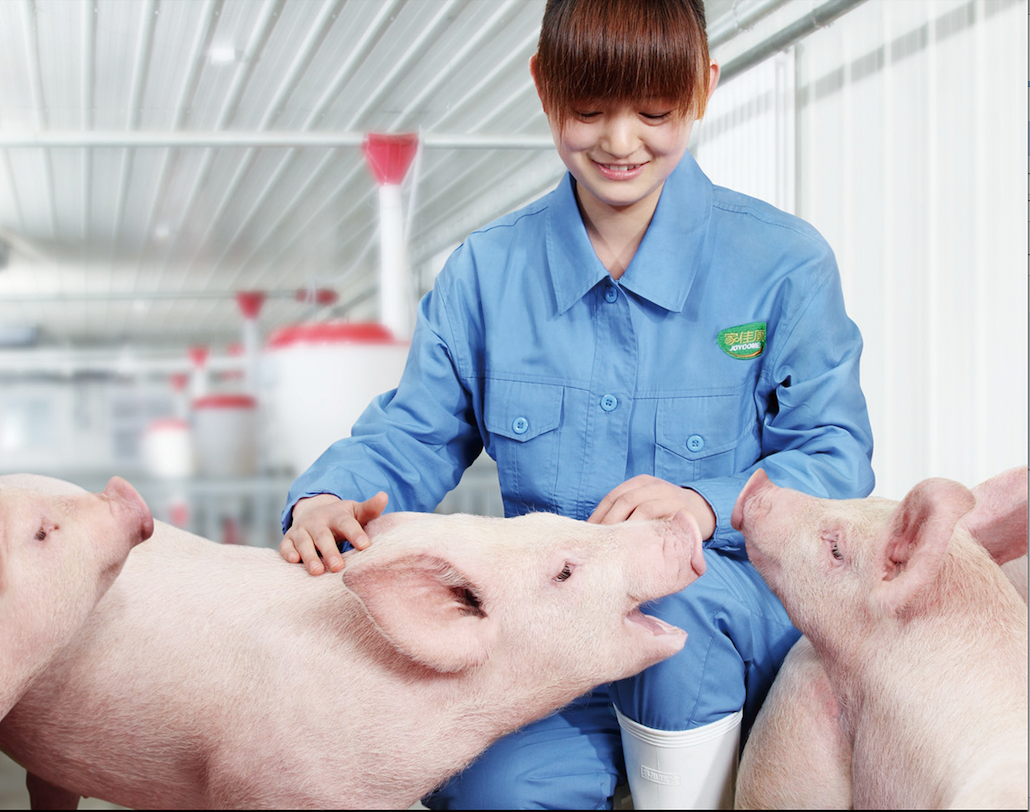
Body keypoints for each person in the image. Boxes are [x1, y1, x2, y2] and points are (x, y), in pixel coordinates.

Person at [277, 0, 875, 808]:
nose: (620, 142)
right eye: (589, 111)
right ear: (542, 87)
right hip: (554, 639)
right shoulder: (486, 273)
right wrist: (329, 497)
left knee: (678, 603)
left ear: (702, 87)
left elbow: (834, 456)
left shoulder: (781, 265)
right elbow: (413, 431)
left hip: (724, 617)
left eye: (654, 113)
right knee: (492, 790)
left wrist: (705, 504)